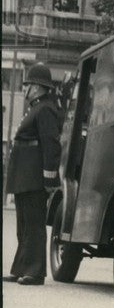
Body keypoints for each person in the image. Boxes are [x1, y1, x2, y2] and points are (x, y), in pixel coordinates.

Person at [3, 63, 62, 285]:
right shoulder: (37, 108)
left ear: (36, 87)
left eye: (27, 85)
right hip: (25, 177)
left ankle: (35, 272)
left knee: (34, 226)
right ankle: (21, 268)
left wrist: (48, 178)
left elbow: (51, 145)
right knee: (24, 226)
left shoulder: (45, 109)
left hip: (34, 178)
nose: (25, 88)